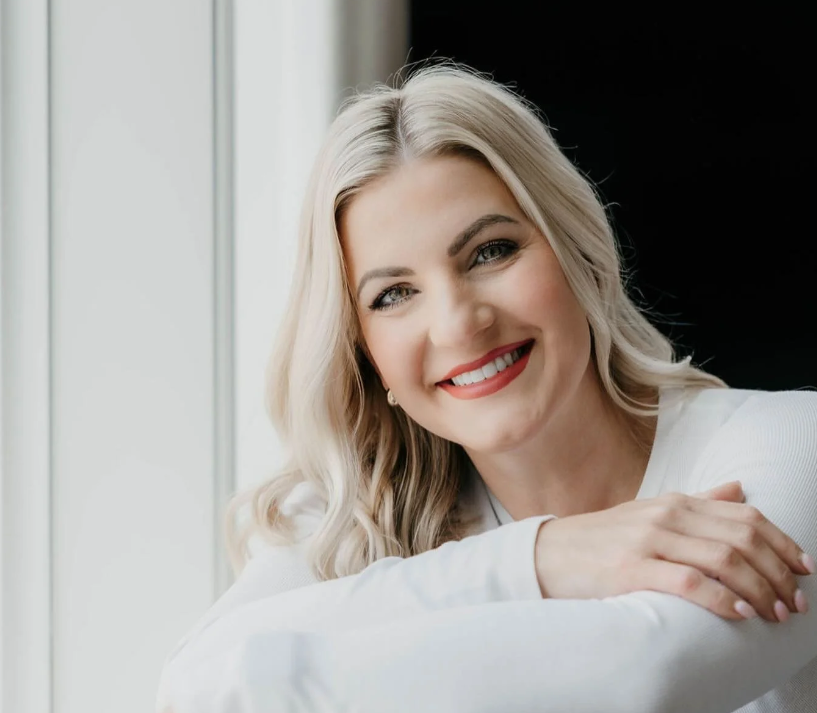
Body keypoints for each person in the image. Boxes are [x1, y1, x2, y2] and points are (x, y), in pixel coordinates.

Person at [155, 63, 817, 713]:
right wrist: (539, 558)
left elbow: (645, 678)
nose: (458, 322)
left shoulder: (787, 443)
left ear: (574, 250)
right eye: (394, 294)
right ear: (366, 359)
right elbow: (193, 690)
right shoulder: (357, 518)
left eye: (490, 251)